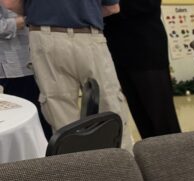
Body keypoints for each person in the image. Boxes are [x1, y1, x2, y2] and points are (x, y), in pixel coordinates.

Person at [0, 0, 133, 149]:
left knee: (62, 115)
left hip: (45, 37)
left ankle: (75, 169)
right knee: (109, 106)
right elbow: (112, 8)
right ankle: (122, 166)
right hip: (89, 35)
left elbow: (10, 3)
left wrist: (41, 13)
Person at [104, 0, 181, 139]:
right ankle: (151, 157)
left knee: (161, 117)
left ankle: (175, 158)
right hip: (118, 51)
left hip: (146, 51)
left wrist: (109, 7)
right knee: (141, 116)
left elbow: (147, 5)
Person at [0, 6, 50, 137]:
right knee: (23, 117)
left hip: (29, 60)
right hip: (13, 67)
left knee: (37, 115)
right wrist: (24, 21)